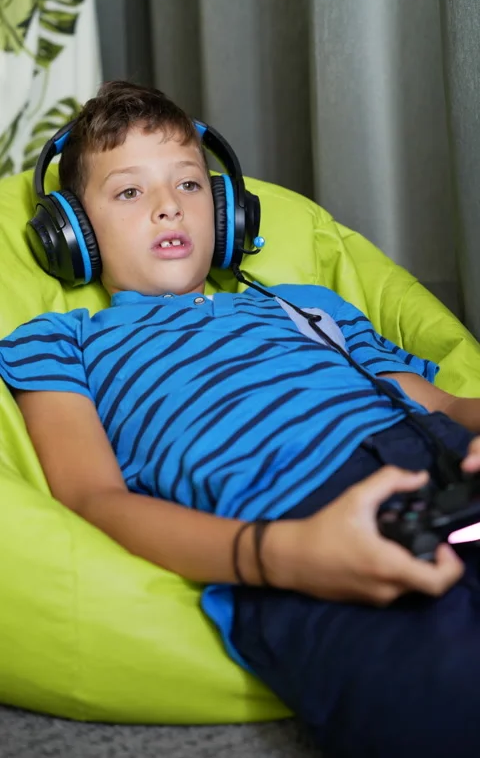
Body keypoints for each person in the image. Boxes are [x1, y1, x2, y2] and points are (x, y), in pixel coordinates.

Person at [1, 80, 480, 757]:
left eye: (190, 185)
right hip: (295, 525)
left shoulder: (306, 304)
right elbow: (93, 499)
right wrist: (285, 554)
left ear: (227, 210)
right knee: (442, 698)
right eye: (130, 192)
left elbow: (444, 403)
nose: (169, 208)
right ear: (73, 232)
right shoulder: (62, 341)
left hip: (441, 459)